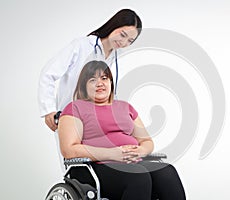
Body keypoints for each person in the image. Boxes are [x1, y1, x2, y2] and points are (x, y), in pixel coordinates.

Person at [58, 60, 186, 200]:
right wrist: (113, 154)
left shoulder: (125, 107)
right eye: (92, 80)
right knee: (138, 176)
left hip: (132, 163)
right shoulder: (75, 108)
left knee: (166, 171)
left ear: (111, 83)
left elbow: (146, 140)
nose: (100, 83)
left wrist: (140, 151)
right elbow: (69, 150)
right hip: (93, 167)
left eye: (104, 78)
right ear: (84, 87)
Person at [38, 8, 142, 131]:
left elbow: (111, 93)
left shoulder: (116, 57)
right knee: (73, 149)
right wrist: (49, 110)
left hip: (98, 122)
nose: (123, 42)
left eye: (130, 41)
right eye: (123, 34)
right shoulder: (82, 46)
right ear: (113, 26)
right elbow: (48, 74)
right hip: (71, 119)